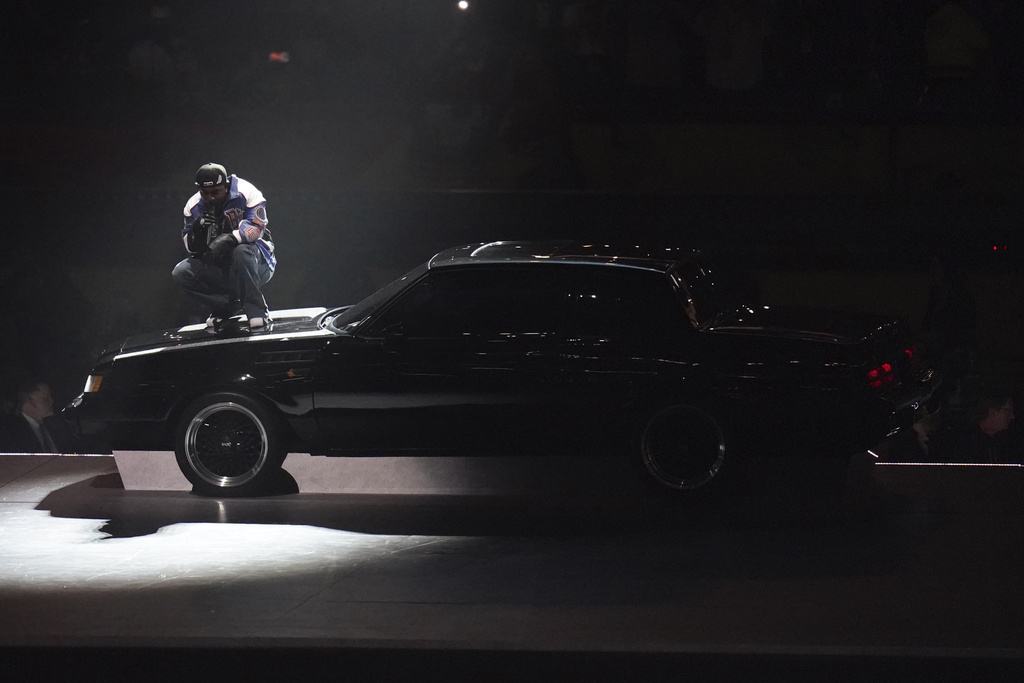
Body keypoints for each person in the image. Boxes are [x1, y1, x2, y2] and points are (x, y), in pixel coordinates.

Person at [171, 163, 276, 330]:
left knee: (241, 251)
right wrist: (197, 230)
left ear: (225, 186)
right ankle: (227, 306)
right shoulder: (193, 206)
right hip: (221, 267)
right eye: (205, 193)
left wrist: (229, 238)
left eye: (215, 192)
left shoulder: (247, 191)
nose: (210, 198)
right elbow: (190, 248)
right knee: (181, 272)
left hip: (257, 262)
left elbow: (257, 227)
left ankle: (257, 310)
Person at [931, 386, 1016, 463]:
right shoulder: (966, 442)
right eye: (1008, 411)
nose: (1012, 416)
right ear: (992, 411)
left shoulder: (1000, 442)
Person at [0, 379, 59, 453]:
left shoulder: (51, 428)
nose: (52, 402)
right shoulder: (12, 431)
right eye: (45, 399)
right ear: (30, 401)